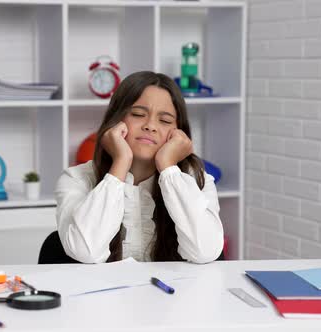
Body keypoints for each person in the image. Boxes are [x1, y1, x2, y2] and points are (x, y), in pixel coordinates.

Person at [55, 71, 223, 264]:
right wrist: (120, 162)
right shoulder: (76, 179)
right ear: (116, 120)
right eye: (138, 114)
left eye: (165, 120)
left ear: (178, 132)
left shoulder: (197, 179)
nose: (150, 126)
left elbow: (205, 252)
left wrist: (168, 168)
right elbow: (86, 251)